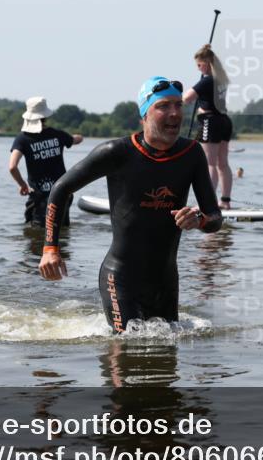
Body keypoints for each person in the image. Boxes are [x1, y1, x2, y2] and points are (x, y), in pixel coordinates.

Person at [38, 77, 223, 332]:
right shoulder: (117, 152)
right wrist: (50, 248)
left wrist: (199, 220)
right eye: (164, 106)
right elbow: (60, 189)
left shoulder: (191, 154)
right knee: (125, 351)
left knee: (166, 365)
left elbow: (215, 217)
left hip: (166, 281)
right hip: (121, 277)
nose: (174, 113)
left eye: (178, 105)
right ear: (144, 115)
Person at [9, 96, 83, 227]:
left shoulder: (22, 139)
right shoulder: (57, 134)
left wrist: (22, 185)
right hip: (62, 193)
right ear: (45, 117)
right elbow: (75, 140)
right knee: (61, 230)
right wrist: (78, 136)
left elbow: (12, 167)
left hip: (40, 197)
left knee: (37, 234)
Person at [183, 44, 232, 209]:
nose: (198, 68)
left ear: (207, 63)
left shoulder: (207, 80)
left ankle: (207, 204)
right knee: (223, 164)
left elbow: (186, 98)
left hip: (210, 121)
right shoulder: (222, 79)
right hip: (224, 121)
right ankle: (225, 201)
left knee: (209, 164)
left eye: (199, 65)